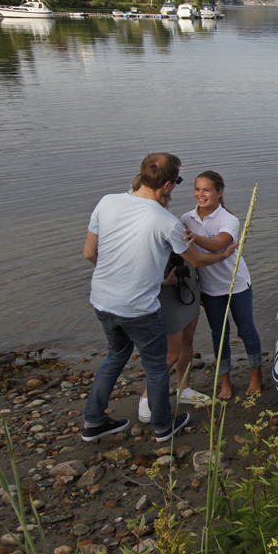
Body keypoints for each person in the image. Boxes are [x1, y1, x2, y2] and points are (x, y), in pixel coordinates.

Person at [82, 153, 237, 443]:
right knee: (156, 366)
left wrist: (127, 278)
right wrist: (225, 254)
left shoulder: (107, 202)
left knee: (115, 356)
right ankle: (163, 426)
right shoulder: (166, 221)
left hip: (102, 300)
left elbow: (90, 253)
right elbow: (197, 260)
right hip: (138, 307)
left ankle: (93, 421)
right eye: (178, 181)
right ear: (167, 185)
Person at [128, 175, 212, 425]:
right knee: (169, 354)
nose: (172, 194)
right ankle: (147, 399)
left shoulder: (167, 214)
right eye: (169, 189)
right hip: (166, 293)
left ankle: (183, 389)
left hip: (187, 286)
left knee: (187, 342)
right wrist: (163, 281)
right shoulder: (142, 219)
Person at [181, 171, 262, 401]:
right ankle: (225, 381)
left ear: (219, 192)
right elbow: (186, 257)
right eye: (197, 189)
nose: (201, 194)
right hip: (209, 290)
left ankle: (256, 375)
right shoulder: (186, 219)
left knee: (246, 331)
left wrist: (193, 237)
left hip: (236, 285)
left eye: (206, 190)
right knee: (219, 334)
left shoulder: (229, 219)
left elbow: (218, 245)